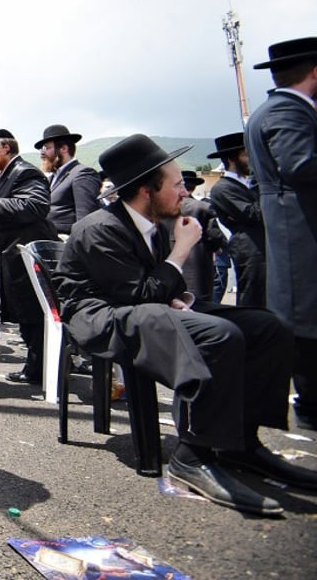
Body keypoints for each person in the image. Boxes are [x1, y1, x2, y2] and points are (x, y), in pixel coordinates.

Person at [57, 134, 317, 514]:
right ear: (147, 190)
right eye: (177, 184)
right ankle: (192, 455)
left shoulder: (155, 222)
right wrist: (181, 251)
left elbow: (163, 288)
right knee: (218, 335)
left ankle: (241, 442)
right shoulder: (101, 228)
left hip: (144, 308)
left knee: (265, 326)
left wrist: (180, 299)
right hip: (102, 318)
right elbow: (136, 295)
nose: (184, 192)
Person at [245, 36, 317, 431]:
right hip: (302, 240)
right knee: (306, 329)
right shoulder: (286, 113)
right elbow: (301, 165)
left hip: (295, 240)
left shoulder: (275, 111)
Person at [0, 129, 56, 384]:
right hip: (11, 255)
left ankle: (37, 369)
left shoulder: (26, 172)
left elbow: (36, 206)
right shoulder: (4, 175)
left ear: (6, 149)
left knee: (33, 315)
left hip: (24, 255)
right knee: (25, 314)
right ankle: (36, 367)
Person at [207, 132, 267, 307]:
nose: (251, 160)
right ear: (231, 159)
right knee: (254, 300)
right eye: (246, 155)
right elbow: (254, 214)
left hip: (264, 246)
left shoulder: (248, 184)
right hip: (250, 251)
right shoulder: (222, 188)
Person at [36, 124, 101, 236]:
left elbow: (86, 221)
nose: (42, 153)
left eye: (47, 148)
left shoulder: (82, 174)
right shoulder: (53, 178)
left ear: (64, 149)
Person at [175, 170, 225, 306]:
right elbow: (215, 236)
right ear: (194, 187)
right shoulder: (203, 208)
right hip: (198, 267)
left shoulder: (165, 208)